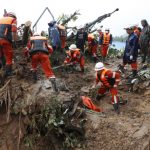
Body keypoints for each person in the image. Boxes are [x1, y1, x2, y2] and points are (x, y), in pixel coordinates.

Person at [0, 12, 17, 76]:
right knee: (9, 56)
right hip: (5, 39)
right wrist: (13, 41)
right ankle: (8, 72)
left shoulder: (1, 19)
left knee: (0, 55)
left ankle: (3, 67)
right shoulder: (13, 20)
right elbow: (14, 31)